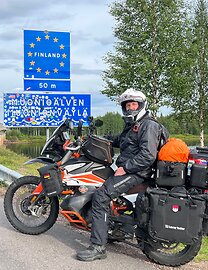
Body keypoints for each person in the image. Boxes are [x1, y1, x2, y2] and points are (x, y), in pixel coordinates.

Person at [76, 88, 169, 261]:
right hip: (132, 169)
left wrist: (126, 168)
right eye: (127, 105)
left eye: (134, 104)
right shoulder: (133, 126)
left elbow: (148, 155)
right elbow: (119, 140)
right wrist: (97, 138)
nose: (130, 108)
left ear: (141, 105)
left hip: (138, 173)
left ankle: (98, 247)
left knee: (101, 197)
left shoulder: (149, 125)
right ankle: (111, 229)